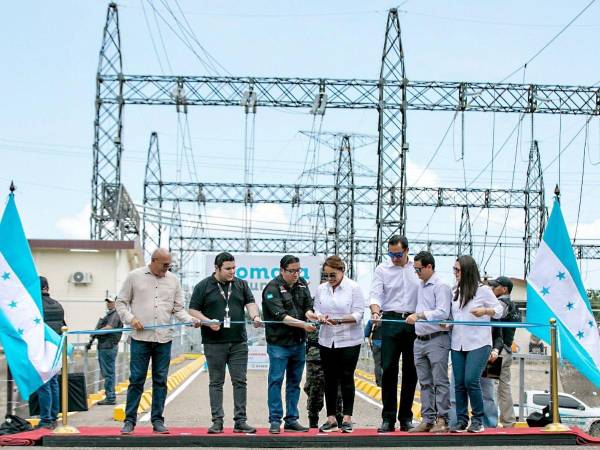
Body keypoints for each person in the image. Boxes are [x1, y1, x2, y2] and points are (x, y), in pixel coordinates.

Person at [116, 248, 201, 435]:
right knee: (136, 379)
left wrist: (190, 320)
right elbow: (120, 302)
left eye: (169, 266)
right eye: (164, 265)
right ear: (153, 261)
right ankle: (129, 421)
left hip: (164, 339)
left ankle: (157, 420)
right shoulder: (134, 276)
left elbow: (178, 309)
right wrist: (131, 319)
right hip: (140, 338)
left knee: (160, 381)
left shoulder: (173, 281)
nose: (166, 269)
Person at [188, 252, 261, 434]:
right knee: (216, 382)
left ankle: (240, 421)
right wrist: (207, 321)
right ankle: (217, 421)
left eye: (234, 268)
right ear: (217, 268)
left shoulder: (241, 284)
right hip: (214, 343)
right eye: (228, 269)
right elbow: (192, 310)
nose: (232, 272)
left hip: (238, 342)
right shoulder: (203, 286)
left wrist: (255, 316)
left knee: (240, 381)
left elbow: (250, 303)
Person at [368, 235, 420, 432]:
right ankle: (388, 417)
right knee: (388, 369)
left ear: (407, 251)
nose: (394, 258)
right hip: (390, 320)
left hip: (413, 321)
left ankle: (406, 417)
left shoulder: (417, 269)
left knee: (411, 370)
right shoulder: (382, 269)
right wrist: (375, 311)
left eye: (398, 254)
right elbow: (375, 294)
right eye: (391, 254)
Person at [449, 255, 504, 433]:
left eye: (458, 270)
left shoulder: (483, 290)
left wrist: (485, 311)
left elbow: (499, 310)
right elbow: (455, 316)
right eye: (454, 269)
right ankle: (461, 420)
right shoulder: (454, 290)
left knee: (471, 380)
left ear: (467, 271)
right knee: (459, 382)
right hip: (458, 343)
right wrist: (448, 323)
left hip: (479, 343)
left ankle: (478, 420)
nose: (455, 273)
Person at [262, 255, 316, 434]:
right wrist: (303, 324)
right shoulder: (272, 288)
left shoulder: (301, 284)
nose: (295, 274)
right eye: (291, 271)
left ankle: (292, 419)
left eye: (298, 270)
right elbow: (281, 316)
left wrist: (311, 315)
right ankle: (275, 420)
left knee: (295, 382)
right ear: (282, 270)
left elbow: (308, 306)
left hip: (299, 342)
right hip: (279, 343)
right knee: (276, 380)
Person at [312, 256, 365, 433]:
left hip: (349, 339)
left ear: (342, 271)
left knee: (346, 377)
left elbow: (358, 314)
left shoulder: (354, 288)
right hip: (327, 339)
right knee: (330, 379)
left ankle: (348, 418)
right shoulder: (321, 289)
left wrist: (339, 320)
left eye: (333, 275)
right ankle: (331, 418)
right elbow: (317, 309)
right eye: (326, 275)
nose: (329, 279)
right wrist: (319, 316)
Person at [405, 251, 452, 433]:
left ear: (429, 266)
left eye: (419, 270)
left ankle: (443, 419)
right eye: (415, 270)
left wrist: (420, 315)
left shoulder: (441, 286)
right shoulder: (421, 285)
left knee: (440, 381)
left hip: (436, 339)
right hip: (420, 340)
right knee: (424, 382)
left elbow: (442, 312)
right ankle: (428, 419)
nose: (417, 273)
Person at [481, 276, 519, 428]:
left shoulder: (501, 304)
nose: (492, 289)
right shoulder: (515, 306)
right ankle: (509, 422)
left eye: (495, 286)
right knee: (504, 388)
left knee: (489, 387)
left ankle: (490, 423)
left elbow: (495, 314)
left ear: (504, 289)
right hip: (507, 350)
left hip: (497, 352)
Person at [34, 276, 66, 429]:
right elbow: (64, 326)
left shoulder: (35, 305)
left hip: (42, 347)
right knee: (53, 383)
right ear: (47, 288)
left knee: (44, 383)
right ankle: (53, 417)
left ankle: (46, 420)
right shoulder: (57, 305)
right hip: (56, 347)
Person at [86, 296, 123, 406]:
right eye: (108, 302)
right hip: (105, 346)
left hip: (108, 346)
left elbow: (109, 328)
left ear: (116, 303)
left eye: (111, 302)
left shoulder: (115, 314)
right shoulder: (110, 314)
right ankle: (110, 396)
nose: (108, 304)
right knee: (107, 373)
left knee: (108, 373)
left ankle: (110, 397)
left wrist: (95, 332)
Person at [303, 327, 343, 428]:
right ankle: (313, 422)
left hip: (336, 352)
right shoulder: (309, 311)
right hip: (316, 354)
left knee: (337, 390)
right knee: (314, 389)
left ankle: (338, 421)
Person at [364, 319, 382, 387]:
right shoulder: (387, 319)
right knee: (387, 364)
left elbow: (366, 333)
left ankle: (379, 383)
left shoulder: (372, 321)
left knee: (378, 364)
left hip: (375, 344)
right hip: (387, 345)